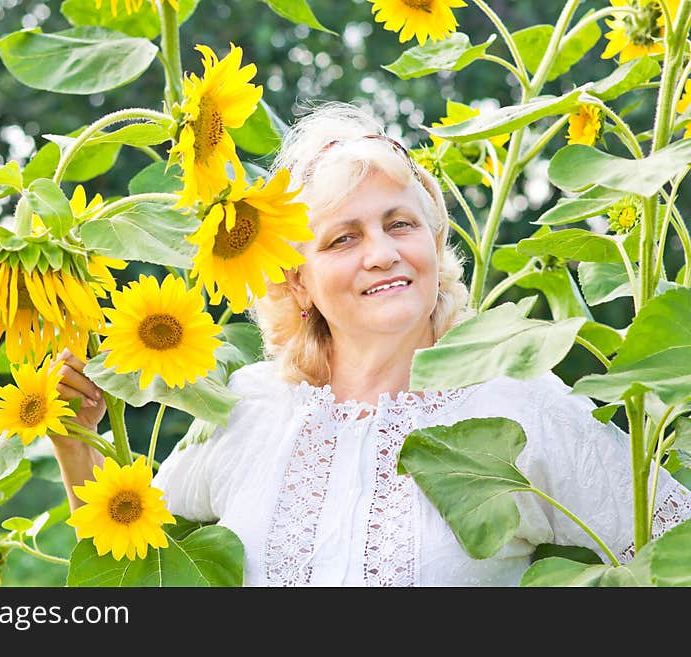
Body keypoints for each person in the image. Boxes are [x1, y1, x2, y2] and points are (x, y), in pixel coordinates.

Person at [50, 102, 691, 586]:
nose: (382, 255)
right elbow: (136, 560)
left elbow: (668, 544)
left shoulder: (514, 400)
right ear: (297, 283)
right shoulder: (247, 410)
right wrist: (75, 443)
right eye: (343, 238)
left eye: (400, 224)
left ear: (434, 246)